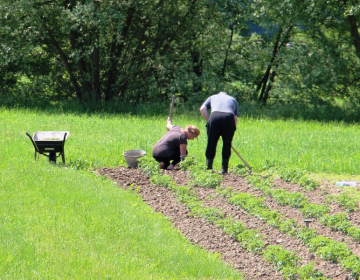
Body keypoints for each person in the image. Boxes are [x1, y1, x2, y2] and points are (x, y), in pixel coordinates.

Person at [199, 91, 239, 174]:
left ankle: (209, 168)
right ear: (226, 95)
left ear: (219, 94)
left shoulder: (212, 97)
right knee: (227, 144)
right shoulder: (233, 99)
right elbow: (235, 118)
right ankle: (224, 170)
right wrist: (232, 130)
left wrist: (209, 120)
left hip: (214, 117)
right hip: (229, 117)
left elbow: (202, 109)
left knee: (211, 143)